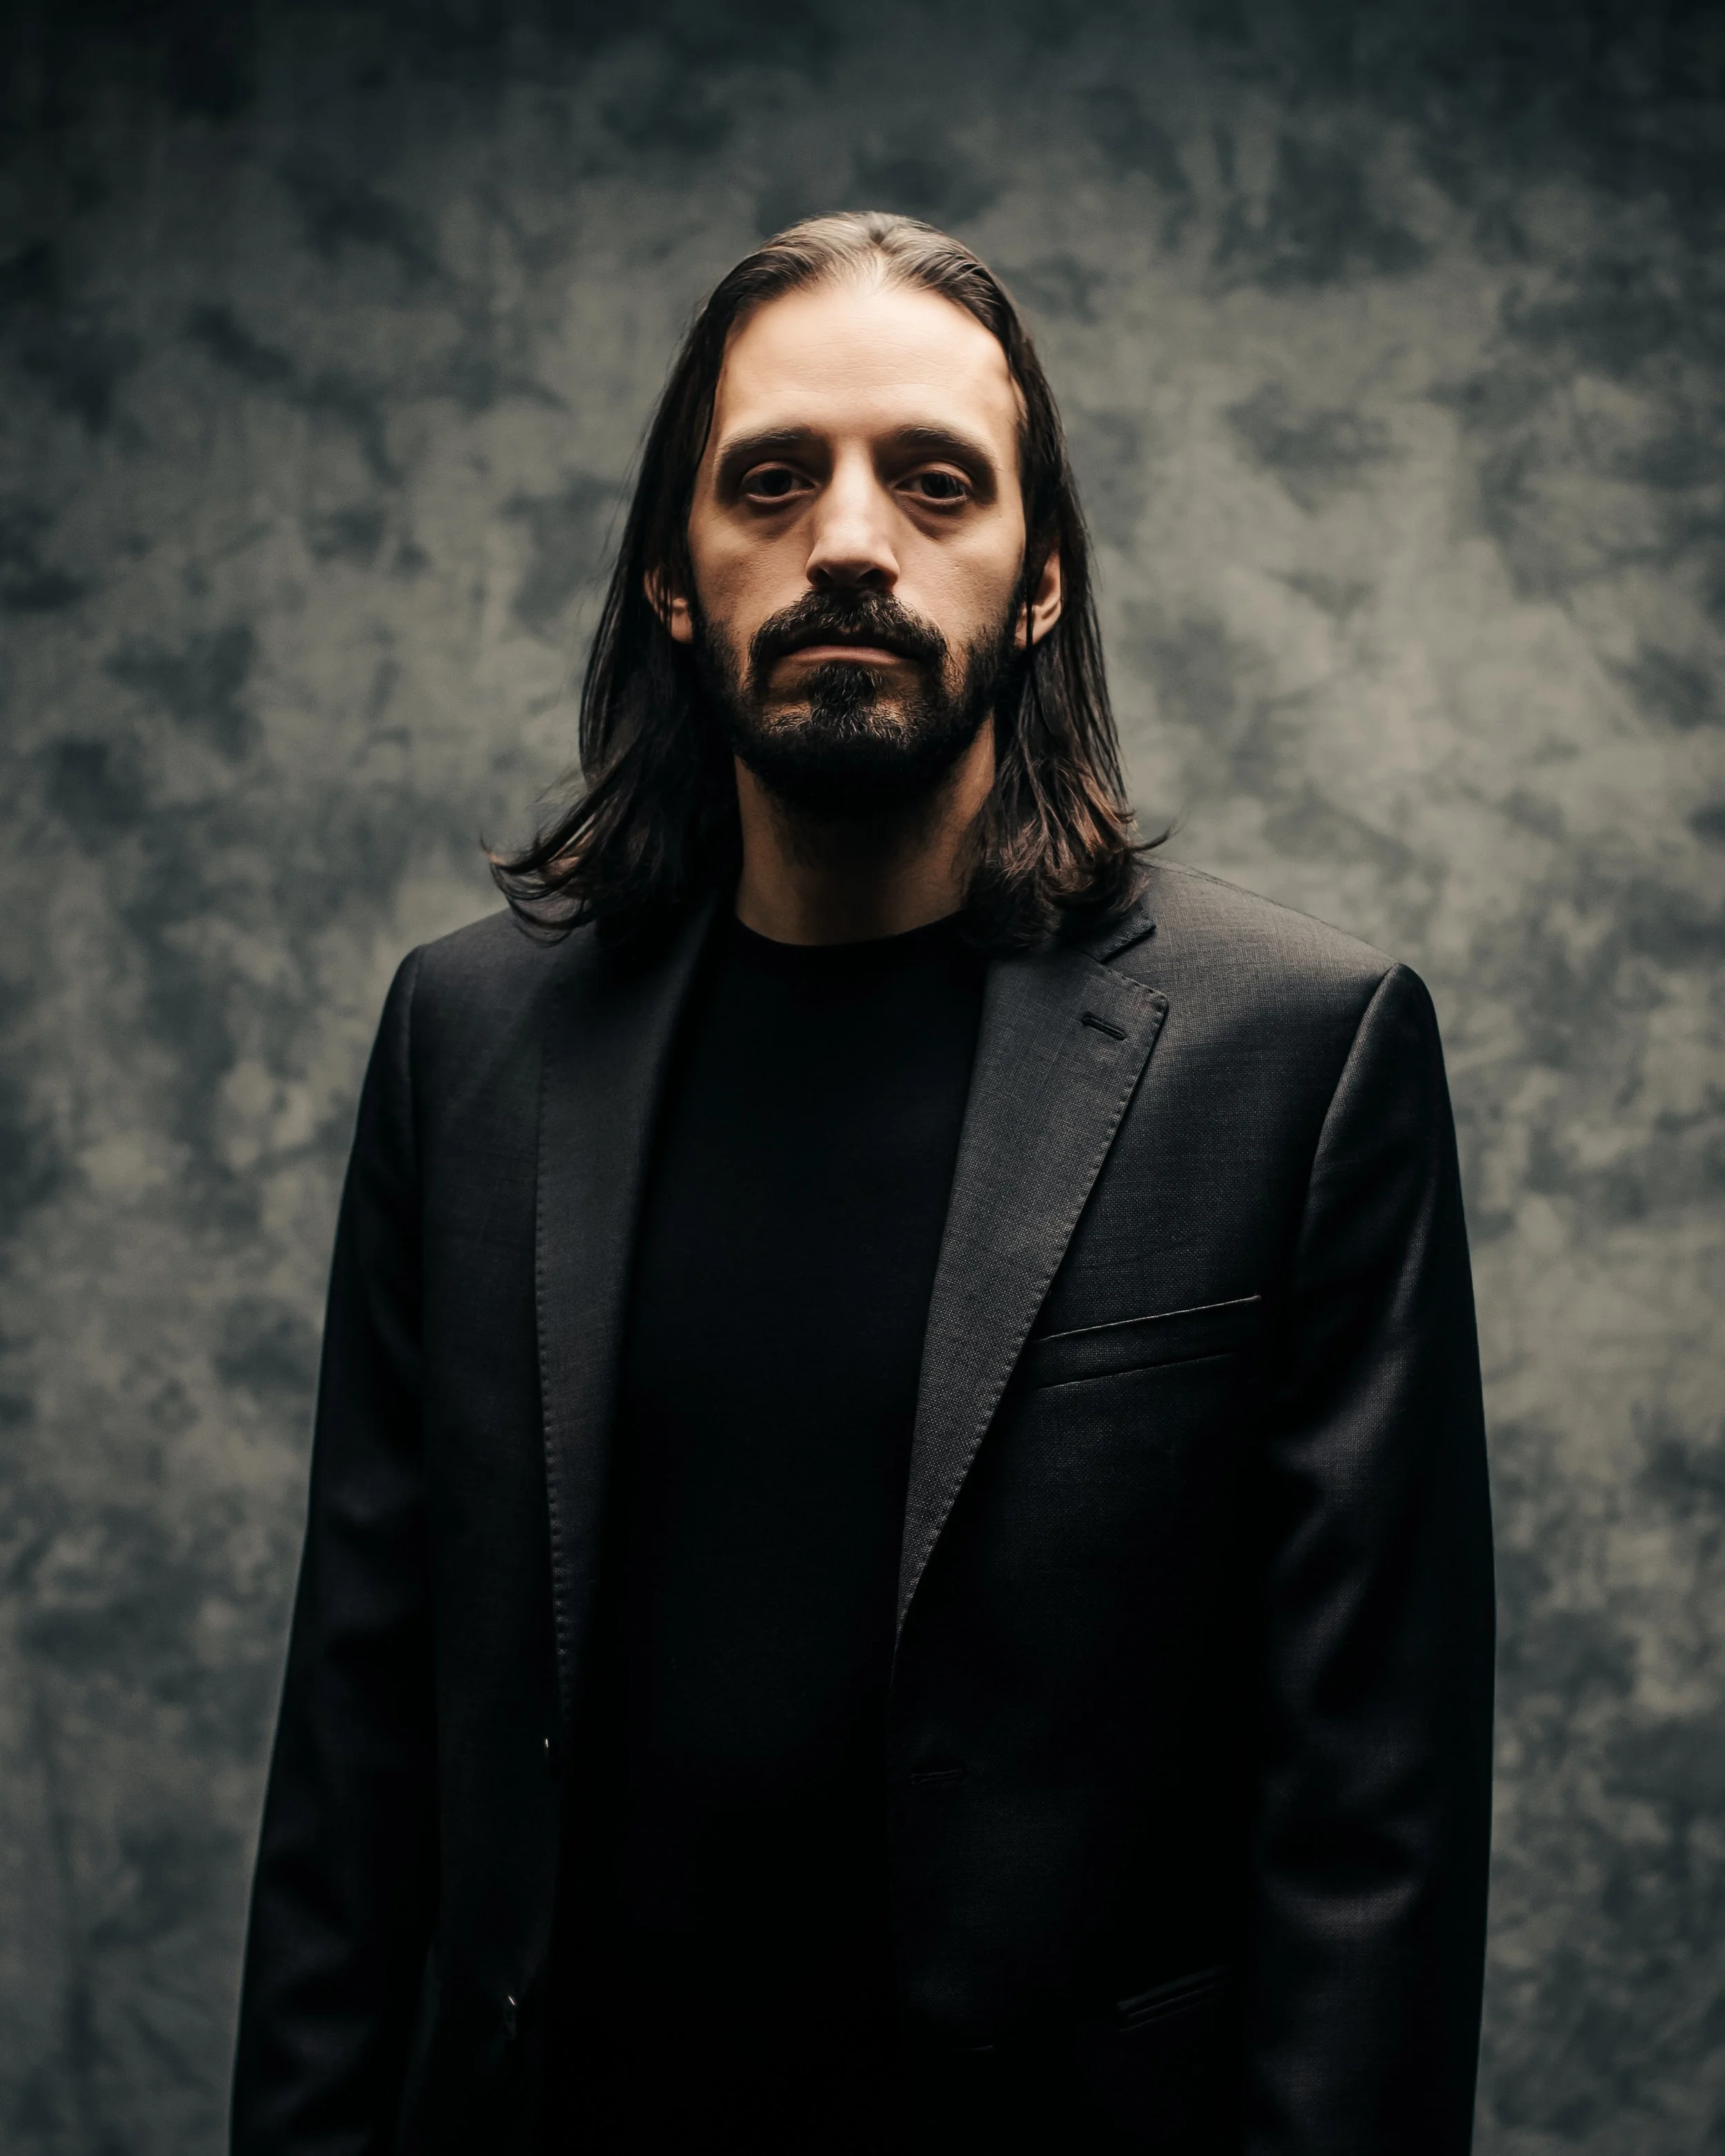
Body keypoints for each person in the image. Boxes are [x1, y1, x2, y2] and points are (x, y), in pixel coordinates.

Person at [231, 212, 1495, 2155]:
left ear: (1041, 572)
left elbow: (1369, 1830)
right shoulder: (465, 1043)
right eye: (770, 479)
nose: (847, 538)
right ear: (672, 572)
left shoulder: (1294, 1054)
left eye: (932, 482)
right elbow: (357, 1752)